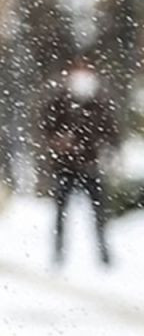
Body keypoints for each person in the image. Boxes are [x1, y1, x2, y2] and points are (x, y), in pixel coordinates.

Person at [40, 60, 120, 267]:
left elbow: (111, 131)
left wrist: (111, 152)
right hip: (65, 167)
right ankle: (58, 253)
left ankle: (104, 255)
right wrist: (59, 141)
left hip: (91, 166)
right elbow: (46, 126)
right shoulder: (59, 101)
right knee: (61, 213)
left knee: (99, 213)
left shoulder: (99, 102)